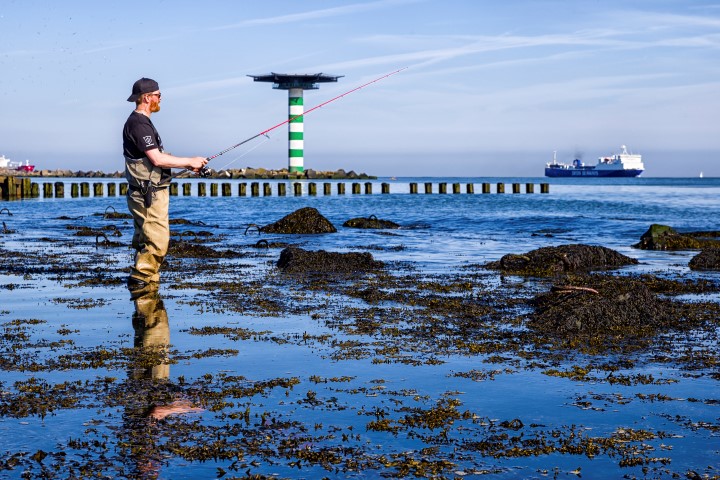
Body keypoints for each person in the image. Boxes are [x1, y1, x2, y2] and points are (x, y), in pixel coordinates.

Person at [123, 77, 208, 292]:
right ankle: (140, 284)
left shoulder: (142, 123)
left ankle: (148, 288)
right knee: (158, 241)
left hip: (146, 192)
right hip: (147, 195)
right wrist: (189, 161)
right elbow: (157, 159)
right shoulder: (138, 124)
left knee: (146, 240)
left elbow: (158, 159)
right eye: (159, 95)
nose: (161, 99)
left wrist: (189, 166)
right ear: (147, 97)